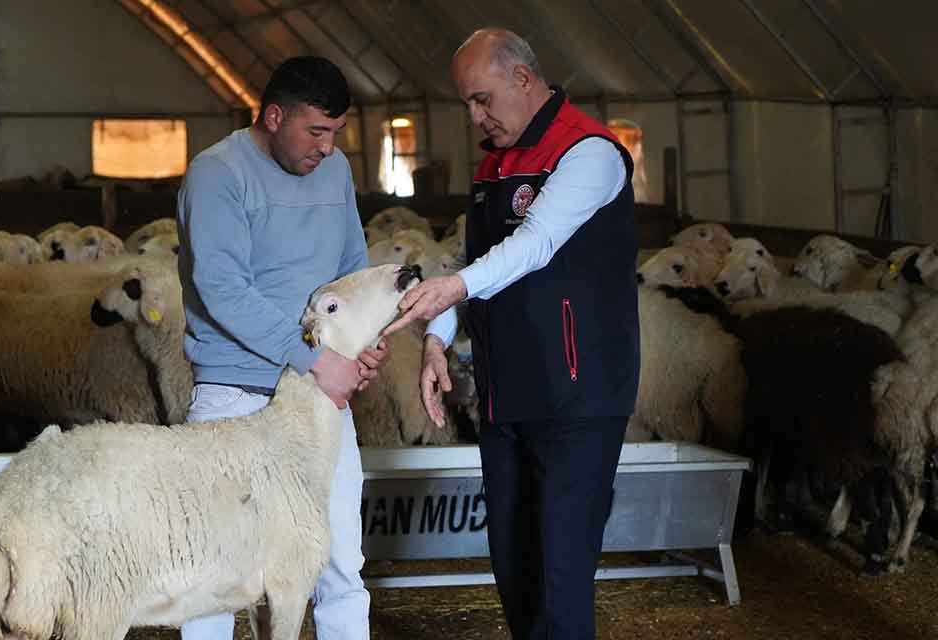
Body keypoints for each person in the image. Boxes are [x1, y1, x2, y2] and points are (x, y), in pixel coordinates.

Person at [384, 28, 641, 640]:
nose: (475, 116)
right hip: (506, 393)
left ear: (523, 79)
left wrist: (454, 289)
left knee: (560, 574)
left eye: (482, 99)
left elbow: (535, 243)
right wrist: (437, 338)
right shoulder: (495, 164)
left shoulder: (589, 152)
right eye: (467, 104)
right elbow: (473, 261)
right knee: (515, 566)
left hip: (576, 396)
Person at [176, 55, 383, 640]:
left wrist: (362, 342)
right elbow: (223, 289)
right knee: (216, 566)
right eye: (315, 131)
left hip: (319, 398)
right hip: (235, 393)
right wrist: (319, 359)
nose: (327, 146)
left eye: (335, 132)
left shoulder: (335, 171)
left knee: (339, 560)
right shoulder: (218, 174)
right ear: (273, 116)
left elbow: (351, 270)